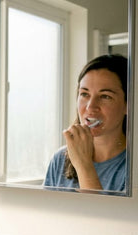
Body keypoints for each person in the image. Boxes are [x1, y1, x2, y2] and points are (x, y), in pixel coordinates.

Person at [43, 54, 128, 192]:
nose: (90, 107)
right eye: (84, 94)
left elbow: (99, 214)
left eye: (105, 96)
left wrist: (83, 165)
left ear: (128, 105)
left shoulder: (136, 169)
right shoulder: (60, 159)